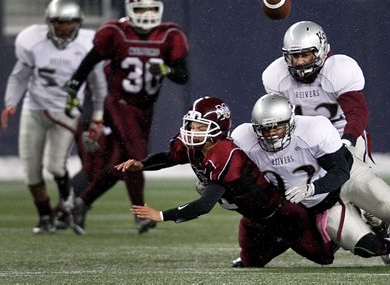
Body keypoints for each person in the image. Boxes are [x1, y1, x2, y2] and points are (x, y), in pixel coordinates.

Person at [231, 93, 390, 268]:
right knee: (366, 248)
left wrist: (312, 187)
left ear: (291, 123)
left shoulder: (314, 130)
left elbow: (341, 170)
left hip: (347, 178)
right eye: (264, 129)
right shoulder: (244, 139)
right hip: (323, 203)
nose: (271, 134)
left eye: (276, 127)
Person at [115, 96, 336, 267]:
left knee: (323, 257)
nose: (192, 132)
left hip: (283, 215)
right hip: (253, 218)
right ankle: (280, 243)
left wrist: (163, 215)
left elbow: (204, 205)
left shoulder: (226, 155)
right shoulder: (193, 146)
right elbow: (169, 157)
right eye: (192, 125)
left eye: (201, 127)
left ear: (217, 129)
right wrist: (142, 164)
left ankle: (319, 222)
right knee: (250, 263)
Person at [261, 20, 390, 264]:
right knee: (312, 194)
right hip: (307, 142)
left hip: (345, 136)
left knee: (360, 196)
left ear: (321, 49)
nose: (300, 62)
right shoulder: (275, 76)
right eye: (294, 56)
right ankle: (331, 237)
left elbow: (357, 112)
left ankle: (380, 227)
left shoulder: (340, 69)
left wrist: (348, 139)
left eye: (305, 54)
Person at [64, 0, 189, 235]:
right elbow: (89, 62)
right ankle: (141, 213)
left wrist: (165, 69)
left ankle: (82, 203)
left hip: (145, 109)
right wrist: (73, 88)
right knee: (137, 158)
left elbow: (183, 75)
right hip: (119, 104)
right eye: (141, 9)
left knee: (121, 164)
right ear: (130, 10)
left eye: (152, 9)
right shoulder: (116, 32)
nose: (146, 14)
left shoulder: (170, 35)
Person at [0, 0, 106, 234]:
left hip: (66, 111)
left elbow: (98, 87)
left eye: (69, 22)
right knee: (31, 171)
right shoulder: (32, 42)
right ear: (49, 21)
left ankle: (67, 203)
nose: (64, 27)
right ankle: (45, 215)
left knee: (55, 166)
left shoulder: (88, 45)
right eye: (59, 22)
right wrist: (10, 103)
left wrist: (97, 115)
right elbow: (19, 76)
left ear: (79, 23)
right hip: (34, 108)